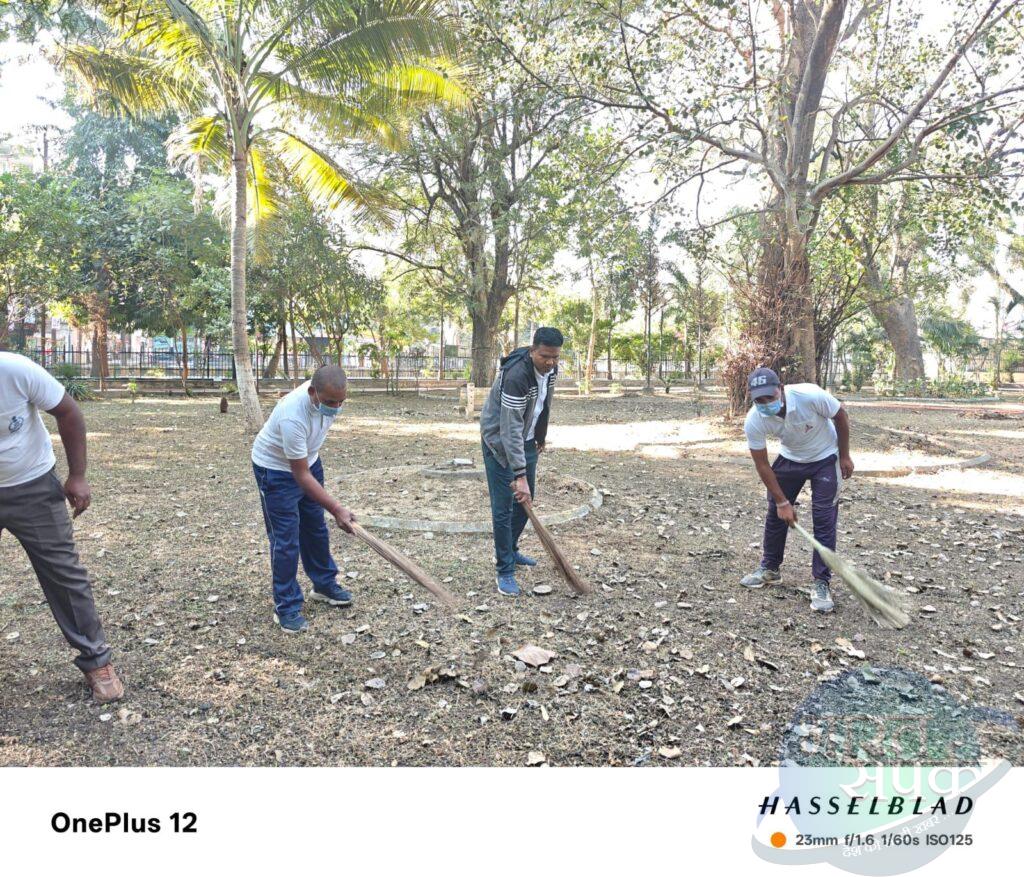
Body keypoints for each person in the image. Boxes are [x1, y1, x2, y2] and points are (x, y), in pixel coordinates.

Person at [0, 351, 123, 702]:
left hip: (32, 486)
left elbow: (68, 412)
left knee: (63, 574)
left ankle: (97, 663)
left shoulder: (14, 370)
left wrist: (79, 476)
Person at [250, 365, 358, 633]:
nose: (336, 407)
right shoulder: (292, 415)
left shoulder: (328, 398)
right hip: (275, 470)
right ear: (313, 393)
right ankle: (285, 607)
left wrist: (329, 509)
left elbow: (305, 467)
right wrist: (336, 508)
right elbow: (299, 474)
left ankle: (323, 584)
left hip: (309, 462)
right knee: (286, 539)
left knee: (315, 528)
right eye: (331, 402)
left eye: (341, 401)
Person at [740, 366, 855, 613]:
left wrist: (844, 456)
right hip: (791, 458)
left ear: (780, 389)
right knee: (775, 514)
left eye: (769, 397)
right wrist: (782, 502)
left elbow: (841, 416)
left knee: (824, 518)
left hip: (825, 456)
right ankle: (770, 569)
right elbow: (762, 464)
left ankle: (821, 582)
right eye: (759, 400)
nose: (765, 403)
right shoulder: (754, 419)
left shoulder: (809, 396)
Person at [479, 327, 563, 596]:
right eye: (544, 356)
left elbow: (544, 403)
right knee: (504, 506)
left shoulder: (550, 371)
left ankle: (511, 549)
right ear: (532, 351)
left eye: (555, 357)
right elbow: (509, 429)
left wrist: (540, 434)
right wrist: (519, 474)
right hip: (499, 441)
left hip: (526, 439)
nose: (549, 362)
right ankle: (504, 570)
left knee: (526, 499)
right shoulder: (517, 376)